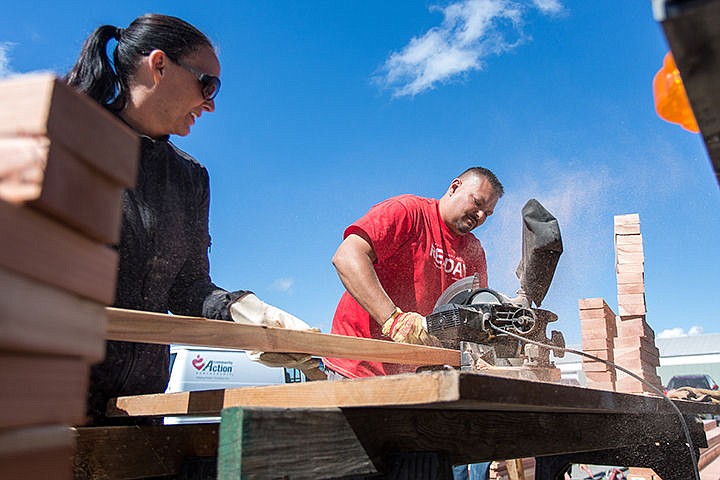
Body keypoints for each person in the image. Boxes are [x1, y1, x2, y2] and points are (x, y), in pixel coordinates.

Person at [66, 14, 313, 424]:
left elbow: (187, 288)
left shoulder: (190, 178)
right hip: (48, 401)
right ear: (159, 65)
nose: (211, 103)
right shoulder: (66, 140)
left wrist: (244, 313)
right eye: (207, 84)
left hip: (137, 407)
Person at [322, 167, 502, 479]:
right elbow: (347, 256)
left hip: (416, 385)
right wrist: (393, 319)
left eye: (488, 212)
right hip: (359, 370)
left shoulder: (473, 251)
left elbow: (477, 315)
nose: (481, 216)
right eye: (477, 203)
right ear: (454, 186)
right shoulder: (409, 212)